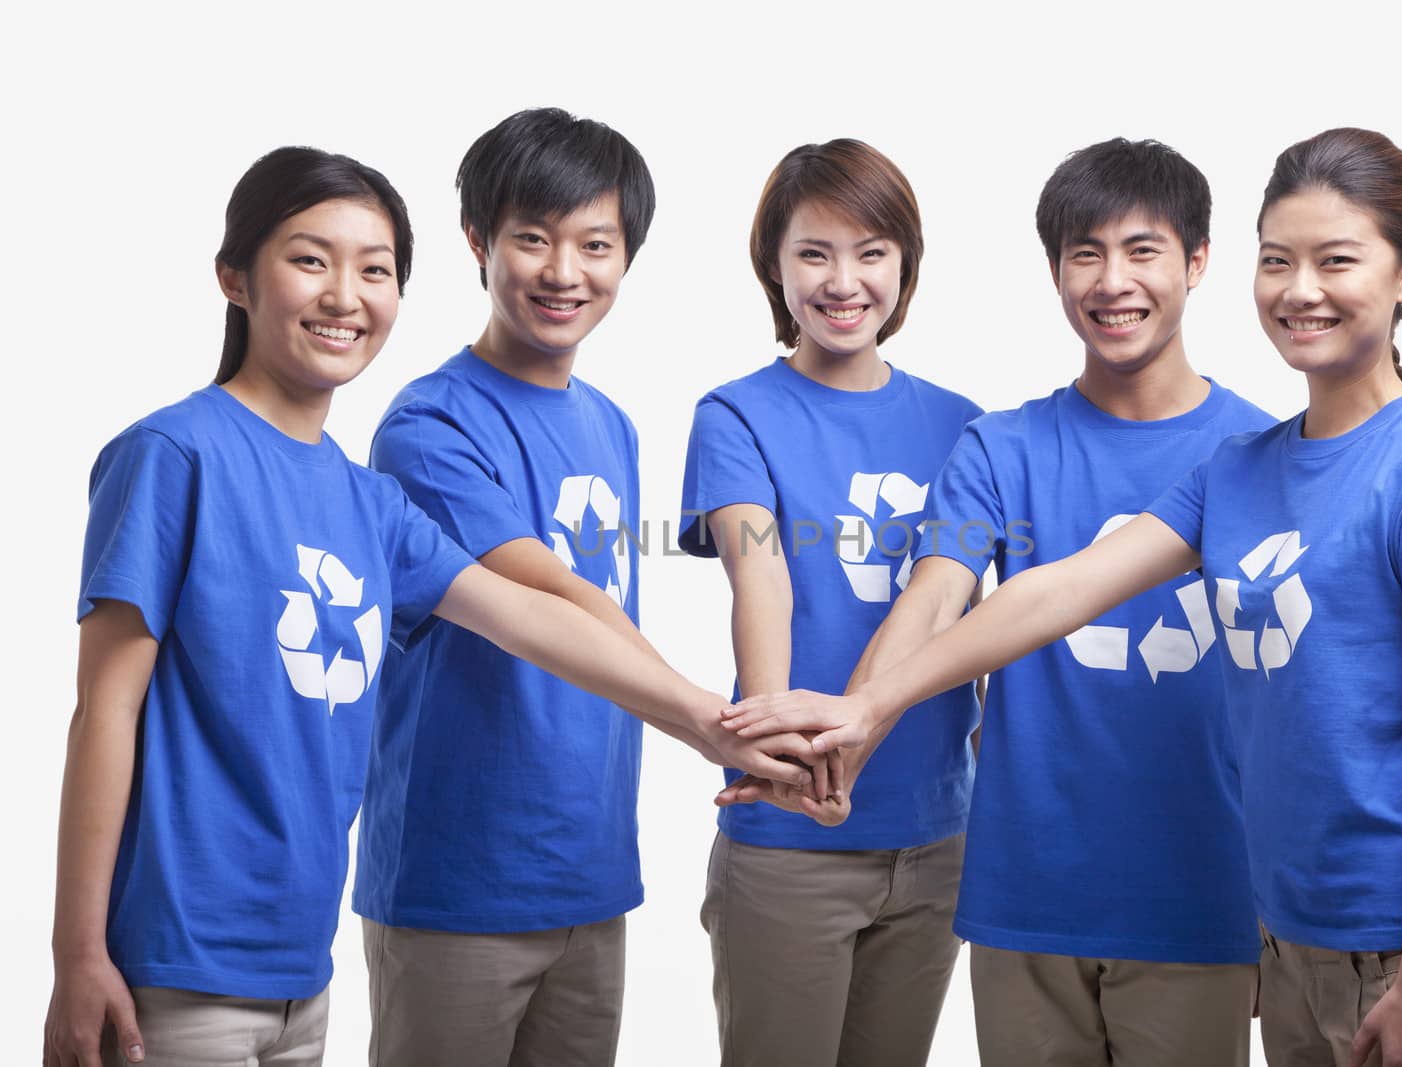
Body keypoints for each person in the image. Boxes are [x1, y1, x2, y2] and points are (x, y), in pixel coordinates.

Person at [724, 127, 1402, 1067]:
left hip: (1384, 942)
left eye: (1336, 260)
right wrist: (867, 705)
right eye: (1278, 261)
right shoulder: (1237, 470)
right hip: (1286, 939)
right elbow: (1055, 589)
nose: (1301, 288)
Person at [44, 145, 819, 1067]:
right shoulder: (175, 455)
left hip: (301, 969)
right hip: (175, 964)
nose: (344, 295)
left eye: (374, 270)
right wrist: (76, 950)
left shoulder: (369, 502)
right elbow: (105, 709)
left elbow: (526, 617)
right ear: (234, 278)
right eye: (309, 259)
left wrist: (710, 724)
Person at [752, 137, 1271, 1066]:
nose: (1113, 281)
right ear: (1055, 272)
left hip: (1201, 894)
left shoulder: (1261, 455)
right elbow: (933, 596)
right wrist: (849, 729)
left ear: (1197, 262)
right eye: (1085, 254)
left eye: (1143, 250)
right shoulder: (1001, 449)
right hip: (1026, 897)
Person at [353, 107, 730, 1067]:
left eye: (595, 244)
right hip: (459, 879)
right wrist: (714, 724)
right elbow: (550, 600)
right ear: (478, 241)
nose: (565, 272)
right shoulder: (428, 427)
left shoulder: (611, 423)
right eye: (533, 238)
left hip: (590, 871)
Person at [678, 138, 983, 1067]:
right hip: (788, 841)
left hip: (935, 837)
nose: (843, 280)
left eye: (871, 251)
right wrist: (780, 748)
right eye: (814, 252)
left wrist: (859, 739)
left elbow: (951, 596)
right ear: (774, 264)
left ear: (906, 264)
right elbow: (758, 567)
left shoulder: (968, 426)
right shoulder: (736, 413)